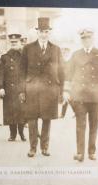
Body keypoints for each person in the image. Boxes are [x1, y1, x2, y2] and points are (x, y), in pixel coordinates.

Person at [65, 28, 98, 162]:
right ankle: (80, 153)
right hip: (79, 95)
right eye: (83, 39)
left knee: (94, 125)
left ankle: (92, 151)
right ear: (81, 40)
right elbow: (68, 74)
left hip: (95, 95)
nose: (86, 41)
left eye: (88, 38)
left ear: (93, 39)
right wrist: (66, 91)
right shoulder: (76, 55)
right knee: (80, 125)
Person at [19, 17, 65, 157]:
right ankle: (33, 148)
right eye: (41, 32)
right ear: (37, 32)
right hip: (31, 89)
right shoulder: (27, 48)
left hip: (49, 90)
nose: (44, 34)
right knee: (32, 119)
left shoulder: (56, 49)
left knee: (47, 119)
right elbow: (22, 71)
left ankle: (45, 147)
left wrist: (61, 92)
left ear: (49, 32)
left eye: (46, 31)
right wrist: (21, 90)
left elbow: (61, 72)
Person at [0, 33, 26, 142]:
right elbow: (1, 73)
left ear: (20, 42)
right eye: (12, 42)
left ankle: (22, 133)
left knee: (22, 111)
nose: (14, 44)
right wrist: (1, 87)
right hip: (9, 89)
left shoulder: (24, 56)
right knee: (10, 112)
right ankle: (12, 134)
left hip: (21, 89)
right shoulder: (5, 57)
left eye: (16, 42)